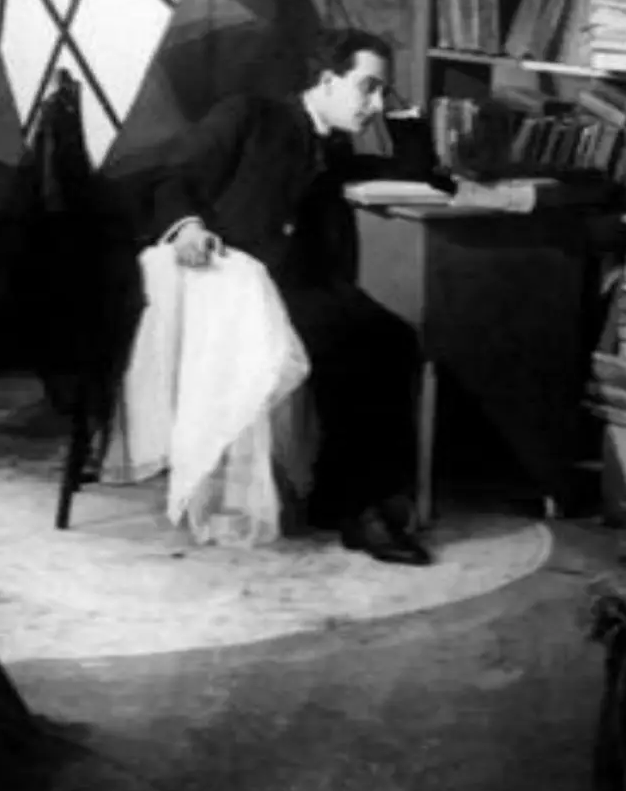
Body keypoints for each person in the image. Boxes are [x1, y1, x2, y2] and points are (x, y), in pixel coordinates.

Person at [146, 28, 431, 565]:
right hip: (236, 287)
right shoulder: (250, 115)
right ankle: (359, 510)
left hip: (301, 285)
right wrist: (187, 226)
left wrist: (402, 112)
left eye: (381, 93)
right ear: (326, 80)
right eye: (367, 88)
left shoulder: (335, 144)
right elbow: (172, 178)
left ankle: (346, 496)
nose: (373, 104)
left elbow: (414, 171)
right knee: (353, 342)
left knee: (393, 339)